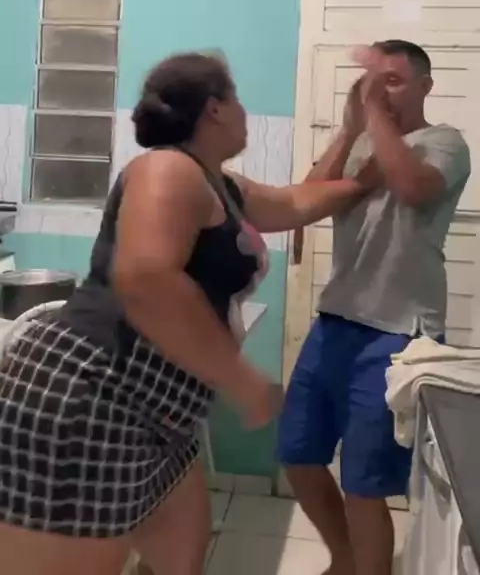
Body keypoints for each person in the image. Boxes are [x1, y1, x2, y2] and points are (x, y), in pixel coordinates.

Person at [0, 51, 376, 575]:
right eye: (238, 100)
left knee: (181, 559)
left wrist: (362, 156)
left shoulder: (223, 186)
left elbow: (297, 202)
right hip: (89, 400)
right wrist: (242, 380)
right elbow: (146, 278)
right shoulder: (166, 167)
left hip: (163, 416)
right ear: (216, 108)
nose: (245, 113)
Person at [278, 40, 471, 575]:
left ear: (425, 87)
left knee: (364, 483)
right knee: (297, 453)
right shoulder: (362, 144)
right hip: (334, 323)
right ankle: (345, 559)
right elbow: (305, 200)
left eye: (393, 80)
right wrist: (348, 129)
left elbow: (411, 188)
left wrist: (374, 114)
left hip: (398, 333)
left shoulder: (445, 143)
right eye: (372, 80)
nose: (379, 92)